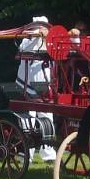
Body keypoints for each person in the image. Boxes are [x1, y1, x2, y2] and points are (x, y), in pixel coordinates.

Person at [15, 16, 56, 163]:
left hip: (44, 86)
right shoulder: (27, 40)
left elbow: (67, 48)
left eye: (43, 26)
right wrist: (37, 34)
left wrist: (75, 37)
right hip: (26, 85)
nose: (41, 29)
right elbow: (23, 48)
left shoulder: (51, 42)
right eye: (37, 26)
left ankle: (49, 154)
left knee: (47, 118)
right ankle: (26, 153)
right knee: (27, 122)